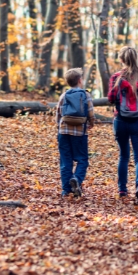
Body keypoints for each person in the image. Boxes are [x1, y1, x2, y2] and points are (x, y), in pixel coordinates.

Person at [108, 46, 138, 204]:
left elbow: (110, 98)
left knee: (123, 156)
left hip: (121, 121)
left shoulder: (116, 77)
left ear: (121, 60)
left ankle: (122, 190)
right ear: (136, 58)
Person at [55, 68, 95, 198]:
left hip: (64, 132)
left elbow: (58, 114)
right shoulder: (85, 95)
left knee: (66, 161)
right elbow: (90, 113)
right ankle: (77, 179)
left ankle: (66, 190)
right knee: (82, 160)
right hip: (79, 133)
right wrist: (91, 124)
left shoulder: (64, 95)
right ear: (79, 80)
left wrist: (59, 127)